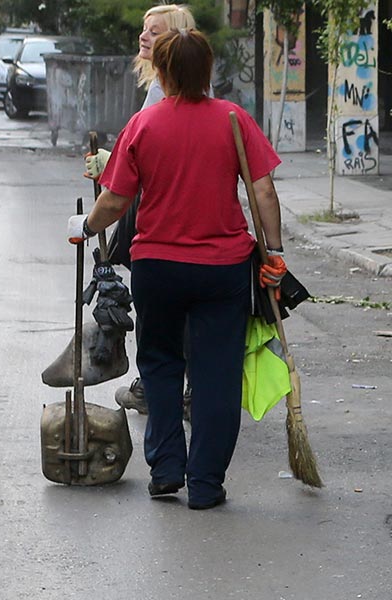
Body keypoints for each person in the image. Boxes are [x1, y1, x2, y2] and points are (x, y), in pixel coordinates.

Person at [68, 29, 286, 510]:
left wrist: (86, 226)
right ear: (208, 72)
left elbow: (117, 198)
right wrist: (274, 252)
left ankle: (166, 469)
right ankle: (205, 484)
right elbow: (263, 190)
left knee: (162, 367)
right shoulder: (233, 119)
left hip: (158, 268)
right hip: (223, 272)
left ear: (162, 73)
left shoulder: (144, 125)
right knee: (216, 376)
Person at [86, 4, 198, 417]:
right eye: (143, 30)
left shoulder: (162, 92)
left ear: (176, 39)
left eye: (155, 32)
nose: (143, 37)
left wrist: (92, 219)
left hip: (161, 217)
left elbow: (147, 153)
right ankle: (182, 385)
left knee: (163, 313)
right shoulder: (166, 87)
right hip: (180, 214)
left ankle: (162, 387)